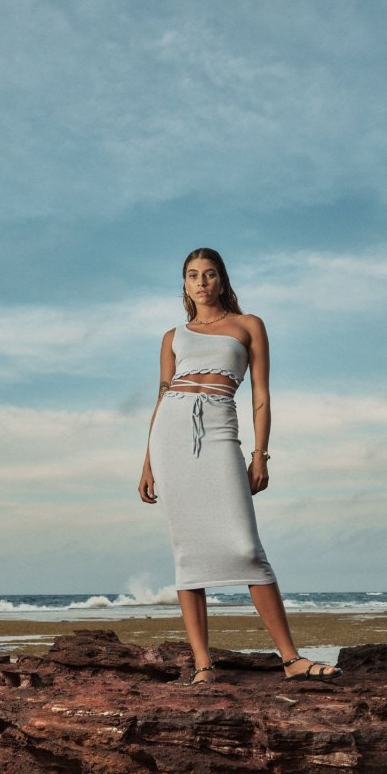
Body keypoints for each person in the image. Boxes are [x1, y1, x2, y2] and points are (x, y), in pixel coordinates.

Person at [138, 247, 342, 686]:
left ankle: (290, 659)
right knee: (187, 551)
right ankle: (203, 664)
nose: (201, 283)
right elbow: (161, 395)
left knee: (247, 548)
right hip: (171, 433)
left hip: (220, 426)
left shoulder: (249, 326)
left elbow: (261, 396)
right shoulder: (172, 335)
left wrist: (260, 453)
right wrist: (147, 463)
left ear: (222, 280)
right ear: (185, 284)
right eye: (192, 276)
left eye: (209, 275)